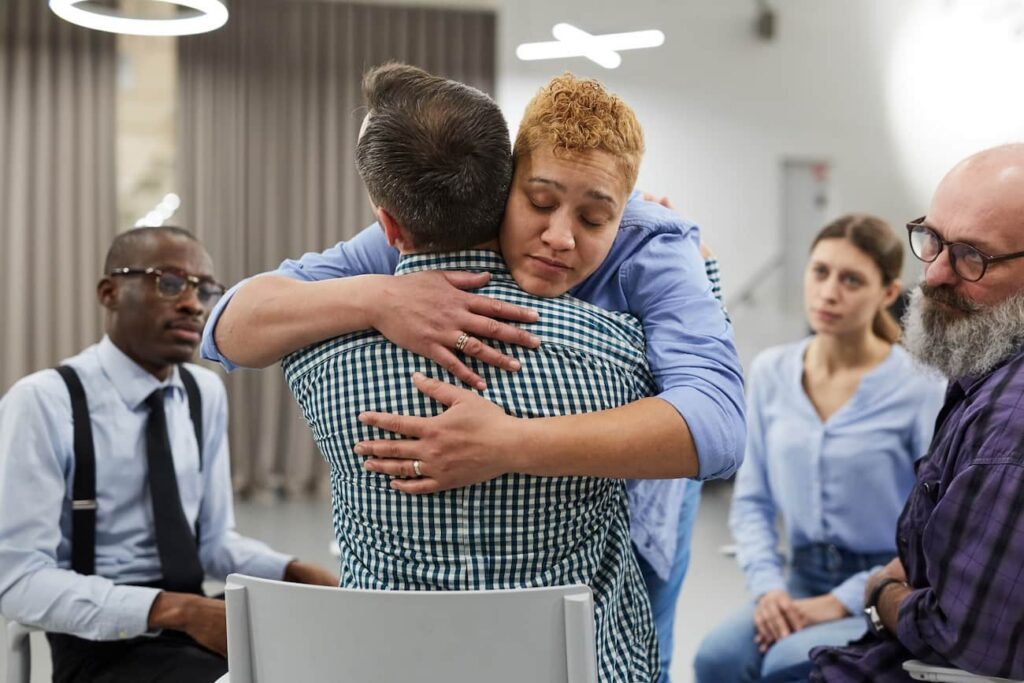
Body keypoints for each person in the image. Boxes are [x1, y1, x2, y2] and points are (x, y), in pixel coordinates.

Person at [203, 69, 743, 682]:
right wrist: (379, 299)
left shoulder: (655, 247)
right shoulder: (452, 219)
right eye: (539, 203)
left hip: (642, 500)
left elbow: (719, 428)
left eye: (594, 220)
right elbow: (227, 326)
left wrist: (509, 443)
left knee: (635, 637)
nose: (559, 237)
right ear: (504, 187)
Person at [0, 226, 338, 683]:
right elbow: (17, 581)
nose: (193, 304)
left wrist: (295, 571)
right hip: (100, 646)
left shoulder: (204, 394)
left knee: (335, 656)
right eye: (171, 282)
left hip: (190, 621)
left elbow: (214, 543)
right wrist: (173, 609)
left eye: (205, 290)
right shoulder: (44, 402)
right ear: (110, 292)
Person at [785, 144, 1024, 682]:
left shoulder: (1008, 430)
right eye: (932, 240)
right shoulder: (980, 367)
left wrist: (880, 591)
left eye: (973, 256)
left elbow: (959, 639)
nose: (936, 274)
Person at [693, 214, 946, 683]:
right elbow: (752, 501)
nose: (829, 292)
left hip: (882, 585)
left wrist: (837, 603)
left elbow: (930, 526)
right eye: (820, 272)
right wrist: (768, 591)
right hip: (797, 579)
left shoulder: (918, 386)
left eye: (852, 280)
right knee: (717, 659)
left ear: (888, 294)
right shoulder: (771, 372)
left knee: (787, 664)